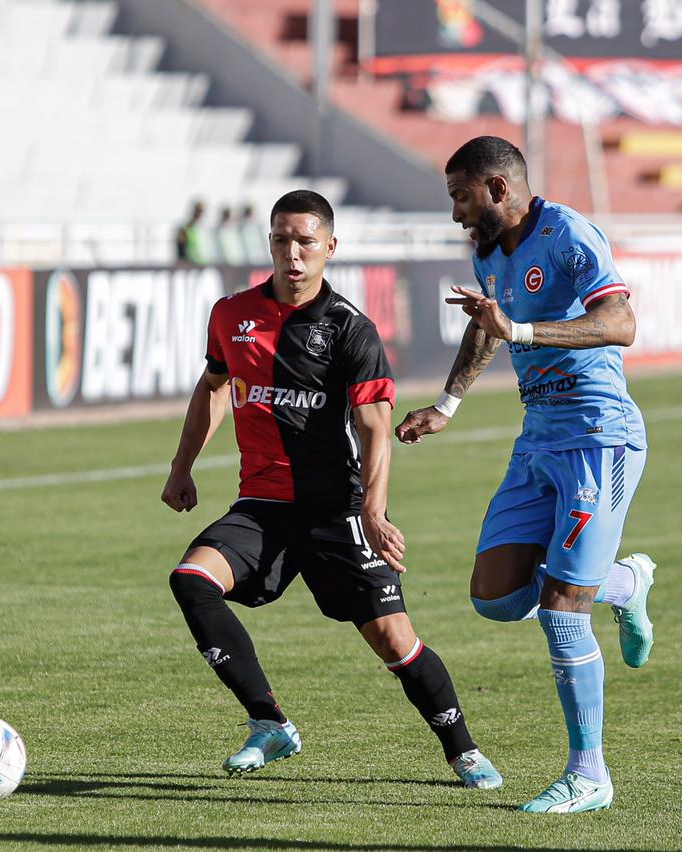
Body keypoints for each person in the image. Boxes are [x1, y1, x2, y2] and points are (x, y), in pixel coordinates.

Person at [162, 189, 502, 789]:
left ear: (330, 248)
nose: (292, 254)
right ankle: (268, 722)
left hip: (337, 508)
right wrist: (182, 465)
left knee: (395, 641)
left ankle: (462, 748)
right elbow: (215, 385)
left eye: (305, 242)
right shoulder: (230, 315)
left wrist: (373, 510)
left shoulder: (350, 329)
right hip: (263, 506)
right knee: (191, 580)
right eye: (280, 240)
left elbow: (375, 428)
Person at [396, 135, 655, 813]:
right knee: (496, 596)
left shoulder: (569, 233)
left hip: (597, 435)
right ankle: (625, 583)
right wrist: (447, 405)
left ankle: (588, 773)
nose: (455, 212)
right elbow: (489, 327)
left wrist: (526, 333)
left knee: (564, 611)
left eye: (461, 196)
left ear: (499, 189)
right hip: (537, 437)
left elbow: (621, 322)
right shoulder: (487, 249)